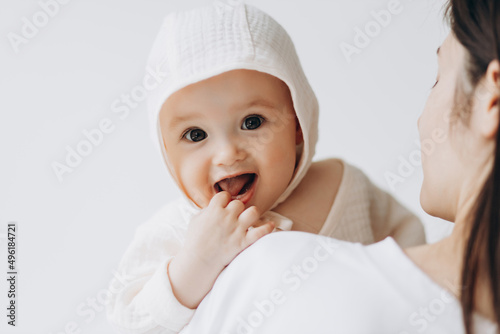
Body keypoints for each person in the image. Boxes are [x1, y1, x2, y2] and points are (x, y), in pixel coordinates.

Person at [177, 0, 500, 333]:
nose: (420, 119)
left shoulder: (272, 275)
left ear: (492, 99)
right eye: (196, 134)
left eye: (437, 78)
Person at [105, 1, 425, 333]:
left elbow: (414, 254)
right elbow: (129, 322)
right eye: (195, 134)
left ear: (298, 125)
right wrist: (195, 266)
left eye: (252, 121)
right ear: (167, 154)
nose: (228, 153)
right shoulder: (177, 231)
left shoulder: (345, 186)